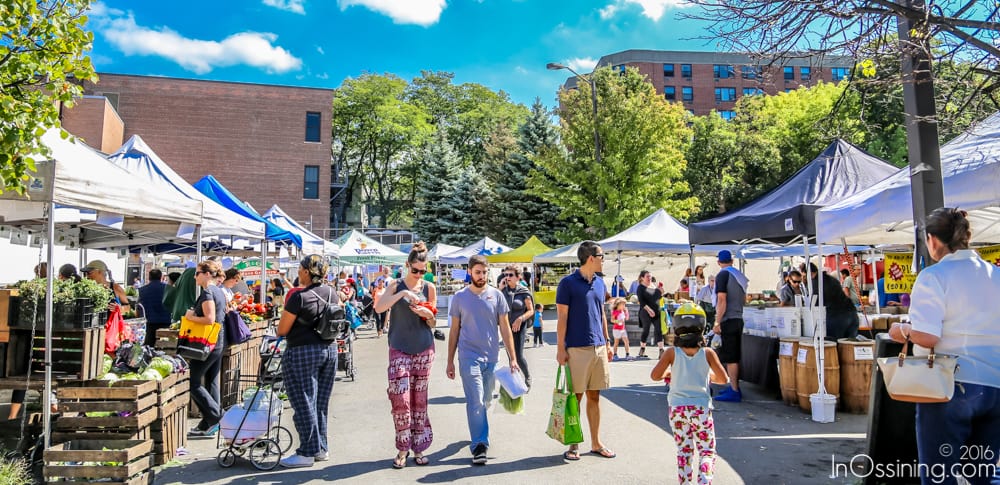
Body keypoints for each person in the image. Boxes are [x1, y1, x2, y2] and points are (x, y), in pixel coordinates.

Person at [887, 208, 1000, 485]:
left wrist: (900, 330)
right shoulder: (995, 275)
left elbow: (927, 335)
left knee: (939, 476)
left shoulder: (934, 276)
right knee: (984, 475)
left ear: (932, 240)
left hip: (949, 385)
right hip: (996, 385)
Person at [446, 255, 520, 465]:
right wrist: (450, 361)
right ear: (469, 272)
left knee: (486, 400)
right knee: (476, 399)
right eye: (477, 272)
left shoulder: (496, 295)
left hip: (492, 358)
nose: (481, 276)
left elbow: (505, 328)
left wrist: (512, 358)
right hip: (468, 356)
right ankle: (479, 444)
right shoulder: (460, 297)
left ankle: (478, 429)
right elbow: (454, 331)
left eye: (485, 272)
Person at [373, 242, 437, 469]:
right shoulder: (395, 285)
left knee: (420, 400)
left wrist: (426, 313)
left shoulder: (429, 287)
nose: (419, 274)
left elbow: (433, 321)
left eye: (423, 271)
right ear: (407, 265)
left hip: (423, 347)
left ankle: (419, 447)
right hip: (399, 347)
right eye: (415, 270)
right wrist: (402, 293)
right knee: (400, 398)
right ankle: (402, 447)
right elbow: (380, 308)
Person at [651, 303, 729, 485]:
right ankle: (704, 481)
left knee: (684, 452)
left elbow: (655, 376)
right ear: (703, 327)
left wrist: (669, 373)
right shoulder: (707, 353)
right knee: (707, 451)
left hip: (677, 409)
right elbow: (723, 379)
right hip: (700, 409)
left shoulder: (672, 353)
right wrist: (707, 376)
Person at [274, 255, 339, 468]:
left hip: (302, 351)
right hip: (329, 349)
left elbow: (282, 330)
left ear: (306, 271)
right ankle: (321, 448)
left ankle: (307, 452)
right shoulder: (331, 292)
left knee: (303, 401)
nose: (298, 272)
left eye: (300, 269)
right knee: (320, 403)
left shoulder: (298, 297)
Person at [556, 240, 615, 461]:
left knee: (595, 396)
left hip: (598, 347)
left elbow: (601, 315)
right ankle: (573, 444)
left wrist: (607, 342)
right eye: (602, 256)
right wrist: (561, 349)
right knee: (575, 398)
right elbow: (562, 317)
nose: (603, 260)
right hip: (576, 348)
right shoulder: (568, 283)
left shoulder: (600, 283)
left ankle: (596, 443)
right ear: (591, 258)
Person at [186, 260, 227, 438]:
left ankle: (216, 417)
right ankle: (207, 424)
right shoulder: (218, 291)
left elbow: (210, 319)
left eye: (197, 273)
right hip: (217, 341)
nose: (195, 276)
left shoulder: (209, 292)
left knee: (193, 382)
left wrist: (190, 316)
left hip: (206, 343)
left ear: (207, 274)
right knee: (211, 381)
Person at [713, 250, 747, 403]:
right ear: (732, 261)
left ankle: (734, 390)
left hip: (729, 319)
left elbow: (722, 300)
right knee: (734, 355)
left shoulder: (722, 275)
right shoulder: (739, 276)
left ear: (719, 262)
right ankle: (733, 386)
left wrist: (717, 321)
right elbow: (744, 299)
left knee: (731, 357)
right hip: (738, 318)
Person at [500, 264, 534, 389]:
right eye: (505, 275)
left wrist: (521, 318)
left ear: (518, 277)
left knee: (518, 356)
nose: (507, 277)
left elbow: (531, 310)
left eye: (510, 275)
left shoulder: (523, 291)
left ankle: (527, 376)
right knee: (510, 356)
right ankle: (515, 382)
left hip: (520, 326)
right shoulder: (503, 291)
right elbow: (495, 306)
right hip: (506, 326)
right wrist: (500, 289)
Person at [804, 263, 859, 340]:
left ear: (810, 273)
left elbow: (815, 303)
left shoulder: (816, 282)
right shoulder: (830, 279)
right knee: (849, 345)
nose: (804, 279)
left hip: (837, 318)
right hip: (852, 314)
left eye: (804, 276)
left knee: (834, 344)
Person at [636, 270, 664, 359]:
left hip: (656, 311)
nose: (649, 278)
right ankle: (642, 349)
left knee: (658, 330)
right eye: (647, 276)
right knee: (646, 330)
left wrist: (661, 292)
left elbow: (658, 298)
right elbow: (641, 302)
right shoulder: (640, 288)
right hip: (645, 311)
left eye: (650, 276)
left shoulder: (654, 286)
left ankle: (661, 351)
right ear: (642, 278)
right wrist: (649, 310)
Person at [138, 269, 171, 347]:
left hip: (149, 323)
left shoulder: (142, 290)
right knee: (164, 348)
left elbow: (139, 308)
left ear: (149, 278)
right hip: (166, 322)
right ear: (161, 277)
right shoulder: (168, 288)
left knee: (149, 348)